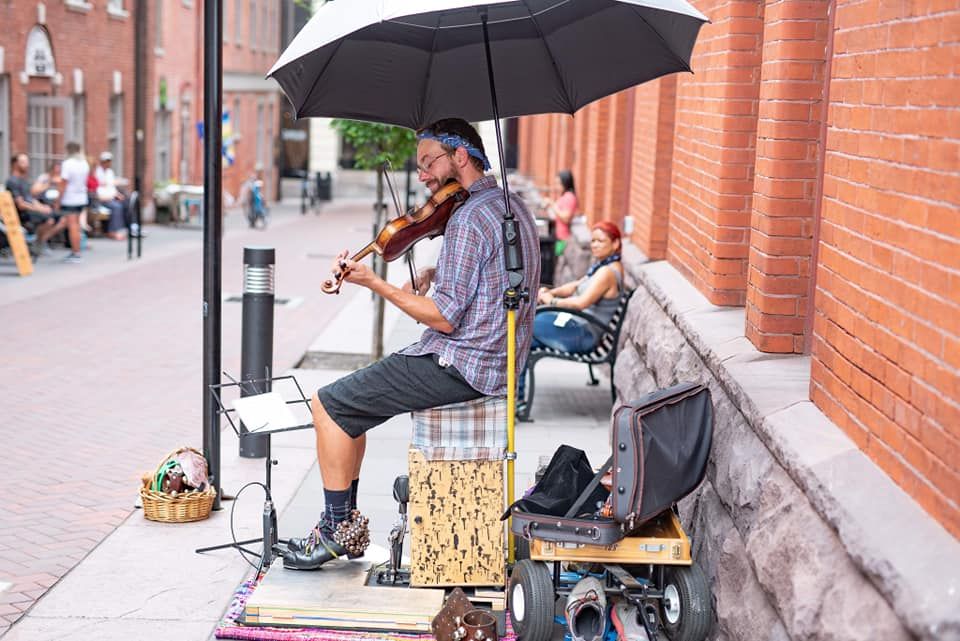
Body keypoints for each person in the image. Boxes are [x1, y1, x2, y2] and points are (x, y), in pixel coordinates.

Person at [280, 118, 540, 570]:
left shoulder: (468, 220)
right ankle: (347, 531)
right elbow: (501, 275)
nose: (423, 176)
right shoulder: (510, 205)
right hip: (500, 359)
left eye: (428, 163)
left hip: (462, 363)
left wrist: (373, 282)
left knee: (328, 405)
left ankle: (334, 532)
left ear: (461, 156)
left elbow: (441, 317)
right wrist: (438, 274)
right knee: (351, 410)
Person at [517, 220, 624, 407]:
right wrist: (551, 292)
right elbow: (575, 286)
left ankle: (515, 398)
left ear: (615, 244)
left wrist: (552, 301)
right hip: (579, 327)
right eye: (593, 241)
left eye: (601, 241)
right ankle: (516, 397)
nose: (595, 245)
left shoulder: (607, 272)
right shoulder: (601, 267)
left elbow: (581, 303)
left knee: (525, 328)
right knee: (525, 336)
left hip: (584, 334)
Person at [4, 153, 66, 257]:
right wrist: (38, 209)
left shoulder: (23, 181)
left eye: (27, 162)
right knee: (49, 219)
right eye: (23, 162)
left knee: (58, 216)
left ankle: (38, 242)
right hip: (20, 214)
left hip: (29, 211)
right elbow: (21, 204)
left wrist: (42, 207)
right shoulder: (12, 181)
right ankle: (38, 243)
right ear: (15, 164)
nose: (27, 165)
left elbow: (31, 199)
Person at [59, 142, 89, 263]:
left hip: (70, 198)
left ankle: (76, 252)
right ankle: (76, 250)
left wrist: (58, 199)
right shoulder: (84, 163)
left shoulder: (67, 164)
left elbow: (63, 183)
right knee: (76, 225)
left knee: (73, 226)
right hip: (81, 197)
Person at [540, 169, 579, 257]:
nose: (556, 186)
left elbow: (565, 218)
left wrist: (552, 204)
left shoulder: (570, 197)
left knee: (557, 263)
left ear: (566, 183)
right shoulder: (564, 196)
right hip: (558, 237)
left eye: (559, 183)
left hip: (563, 239)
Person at [94, 151, 130, 240]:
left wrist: (118, 195)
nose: (108, 163)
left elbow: (111, 187)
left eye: (109, 161)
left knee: (126, 204)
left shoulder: (110, 172)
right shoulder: (97, 173)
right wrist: (108, 197)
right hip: (102, 199)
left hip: (112, 197)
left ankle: (128, 228)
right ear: (102, 162)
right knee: (116, 207)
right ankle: (113, 231)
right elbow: (98, 190)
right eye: (106, 161)